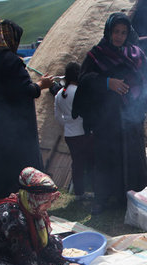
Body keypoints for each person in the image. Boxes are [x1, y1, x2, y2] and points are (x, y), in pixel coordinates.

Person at [72, 12, 147, 214]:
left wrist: (138, 98)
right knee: (106, 158)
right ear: (109, 31)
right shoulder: (96, 55)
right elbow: (85, 80)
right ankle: (103, 199)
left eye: (123, 32)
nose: (119, 36)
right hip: (107, 119)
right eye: (116, 31)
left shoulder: (136, 54)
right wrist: (108, 83)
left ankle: (132, 197)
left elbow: (146, 79)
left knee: (131, 157)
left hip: (130, 117)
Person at [0, 19, 54, 200]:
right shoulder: (10, 61)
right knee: (19, 175)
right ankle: (23, 207)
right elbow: (26, 91)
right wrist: (42, 84)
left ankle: (4, 204)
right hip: (11, 129)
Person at [54, 62, 93, 201]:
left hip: (70, 134)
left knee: (77, 164)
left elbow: (58, 116)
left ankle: (79, 193)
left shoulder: (59, 94)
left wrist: (68, 124)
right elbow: (87, 111)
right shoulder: (79, 91)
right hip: (83, 132)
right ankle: (94, 190)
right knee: (90, 162)